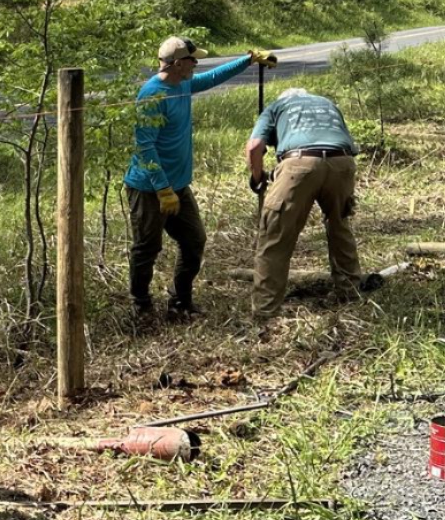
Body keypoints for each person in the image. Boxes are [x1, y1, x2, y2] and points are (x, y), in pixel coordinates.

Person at [125, 36, 277, 315]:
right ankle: (141, 306)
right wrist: (162, 188)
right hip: (149, 188)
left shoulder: (183, 84)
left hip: (178, 187)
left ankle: (180, 300)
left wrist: (249, 59)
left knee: (194, 240)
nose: (197, 64)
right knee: (147, 247)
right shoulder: (152, 95)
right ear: (178, 63)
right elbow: (144, 146)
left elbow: (213, 77)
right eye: (193, 60)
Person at [245, 88, 362, 319]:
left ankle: (265, 312)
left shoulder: (276, 107)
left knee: (275, 235)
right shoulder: (327, 103)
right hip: (342, 162)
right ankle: (350, 295)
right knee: (340, 226)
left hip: (299, 164)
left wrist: (257, 177)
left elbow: (254, 147)